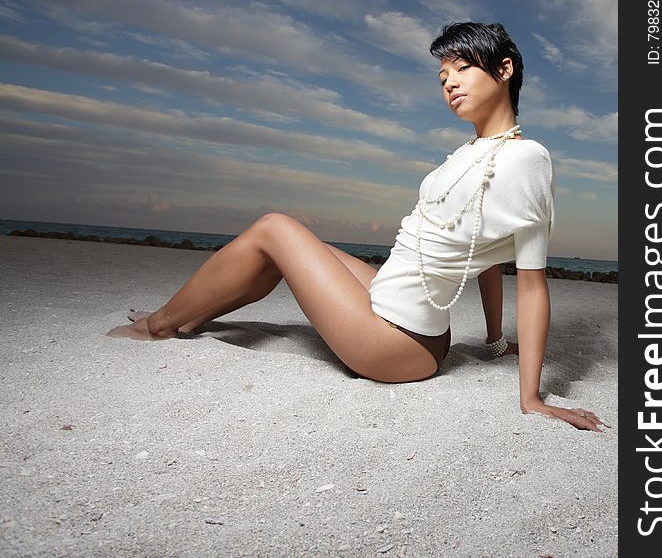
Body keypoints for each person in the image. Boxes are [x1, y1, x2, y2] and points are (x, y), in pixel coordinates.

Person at [108, 22, 605, 432]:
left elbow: (532, 281)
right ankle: (191, 314)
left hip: (397, 343)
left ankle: (160, 325)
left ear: (504, 69)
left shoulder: (528, 159)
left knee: (274, 228)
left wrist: (533, 399)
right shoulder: (470, 153)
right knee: (296, 245)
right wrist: (495, 341)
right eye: (441, 76)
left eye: (462, 68)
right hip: (401, 313)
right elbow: (486, 250)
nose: (449, 82)